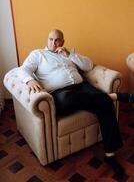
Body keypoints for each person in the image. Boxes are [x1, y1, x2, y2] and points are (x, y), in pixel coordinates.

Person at [20, 29, 134, 178]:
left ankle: (110, 155)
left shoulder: (69, 54)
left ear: (63, 41)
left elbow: (88, 66)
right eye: (51, 39)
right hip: (60, 93)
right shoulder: (38, 54)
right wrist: (30, 80)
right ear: (47, 40)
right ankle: (113, 96)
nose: (53, 43)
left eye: (57, 40)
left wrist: (71, 55)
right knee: (69, 100)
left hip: (82, 87)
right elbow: (24, 69)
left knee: (105, 106)